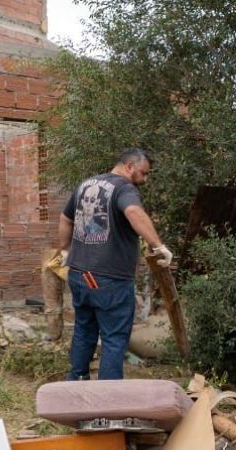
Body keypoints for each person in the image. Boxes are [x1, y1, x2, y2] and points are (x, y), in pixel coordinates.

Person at [57, 148, 172, 380]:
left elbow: (65, 218)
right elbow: (132, 210)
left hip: (80, 274)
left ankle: (76, 383)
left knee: (84, 330)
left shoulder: (85, 185)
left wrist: (65, 249)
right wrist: (158, 246)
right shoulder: (123, 188)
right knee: (114, 338)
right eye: (143, 173)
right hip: (109, 279)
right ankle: (107, 400)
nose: (145, 179)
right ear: (129, 166)